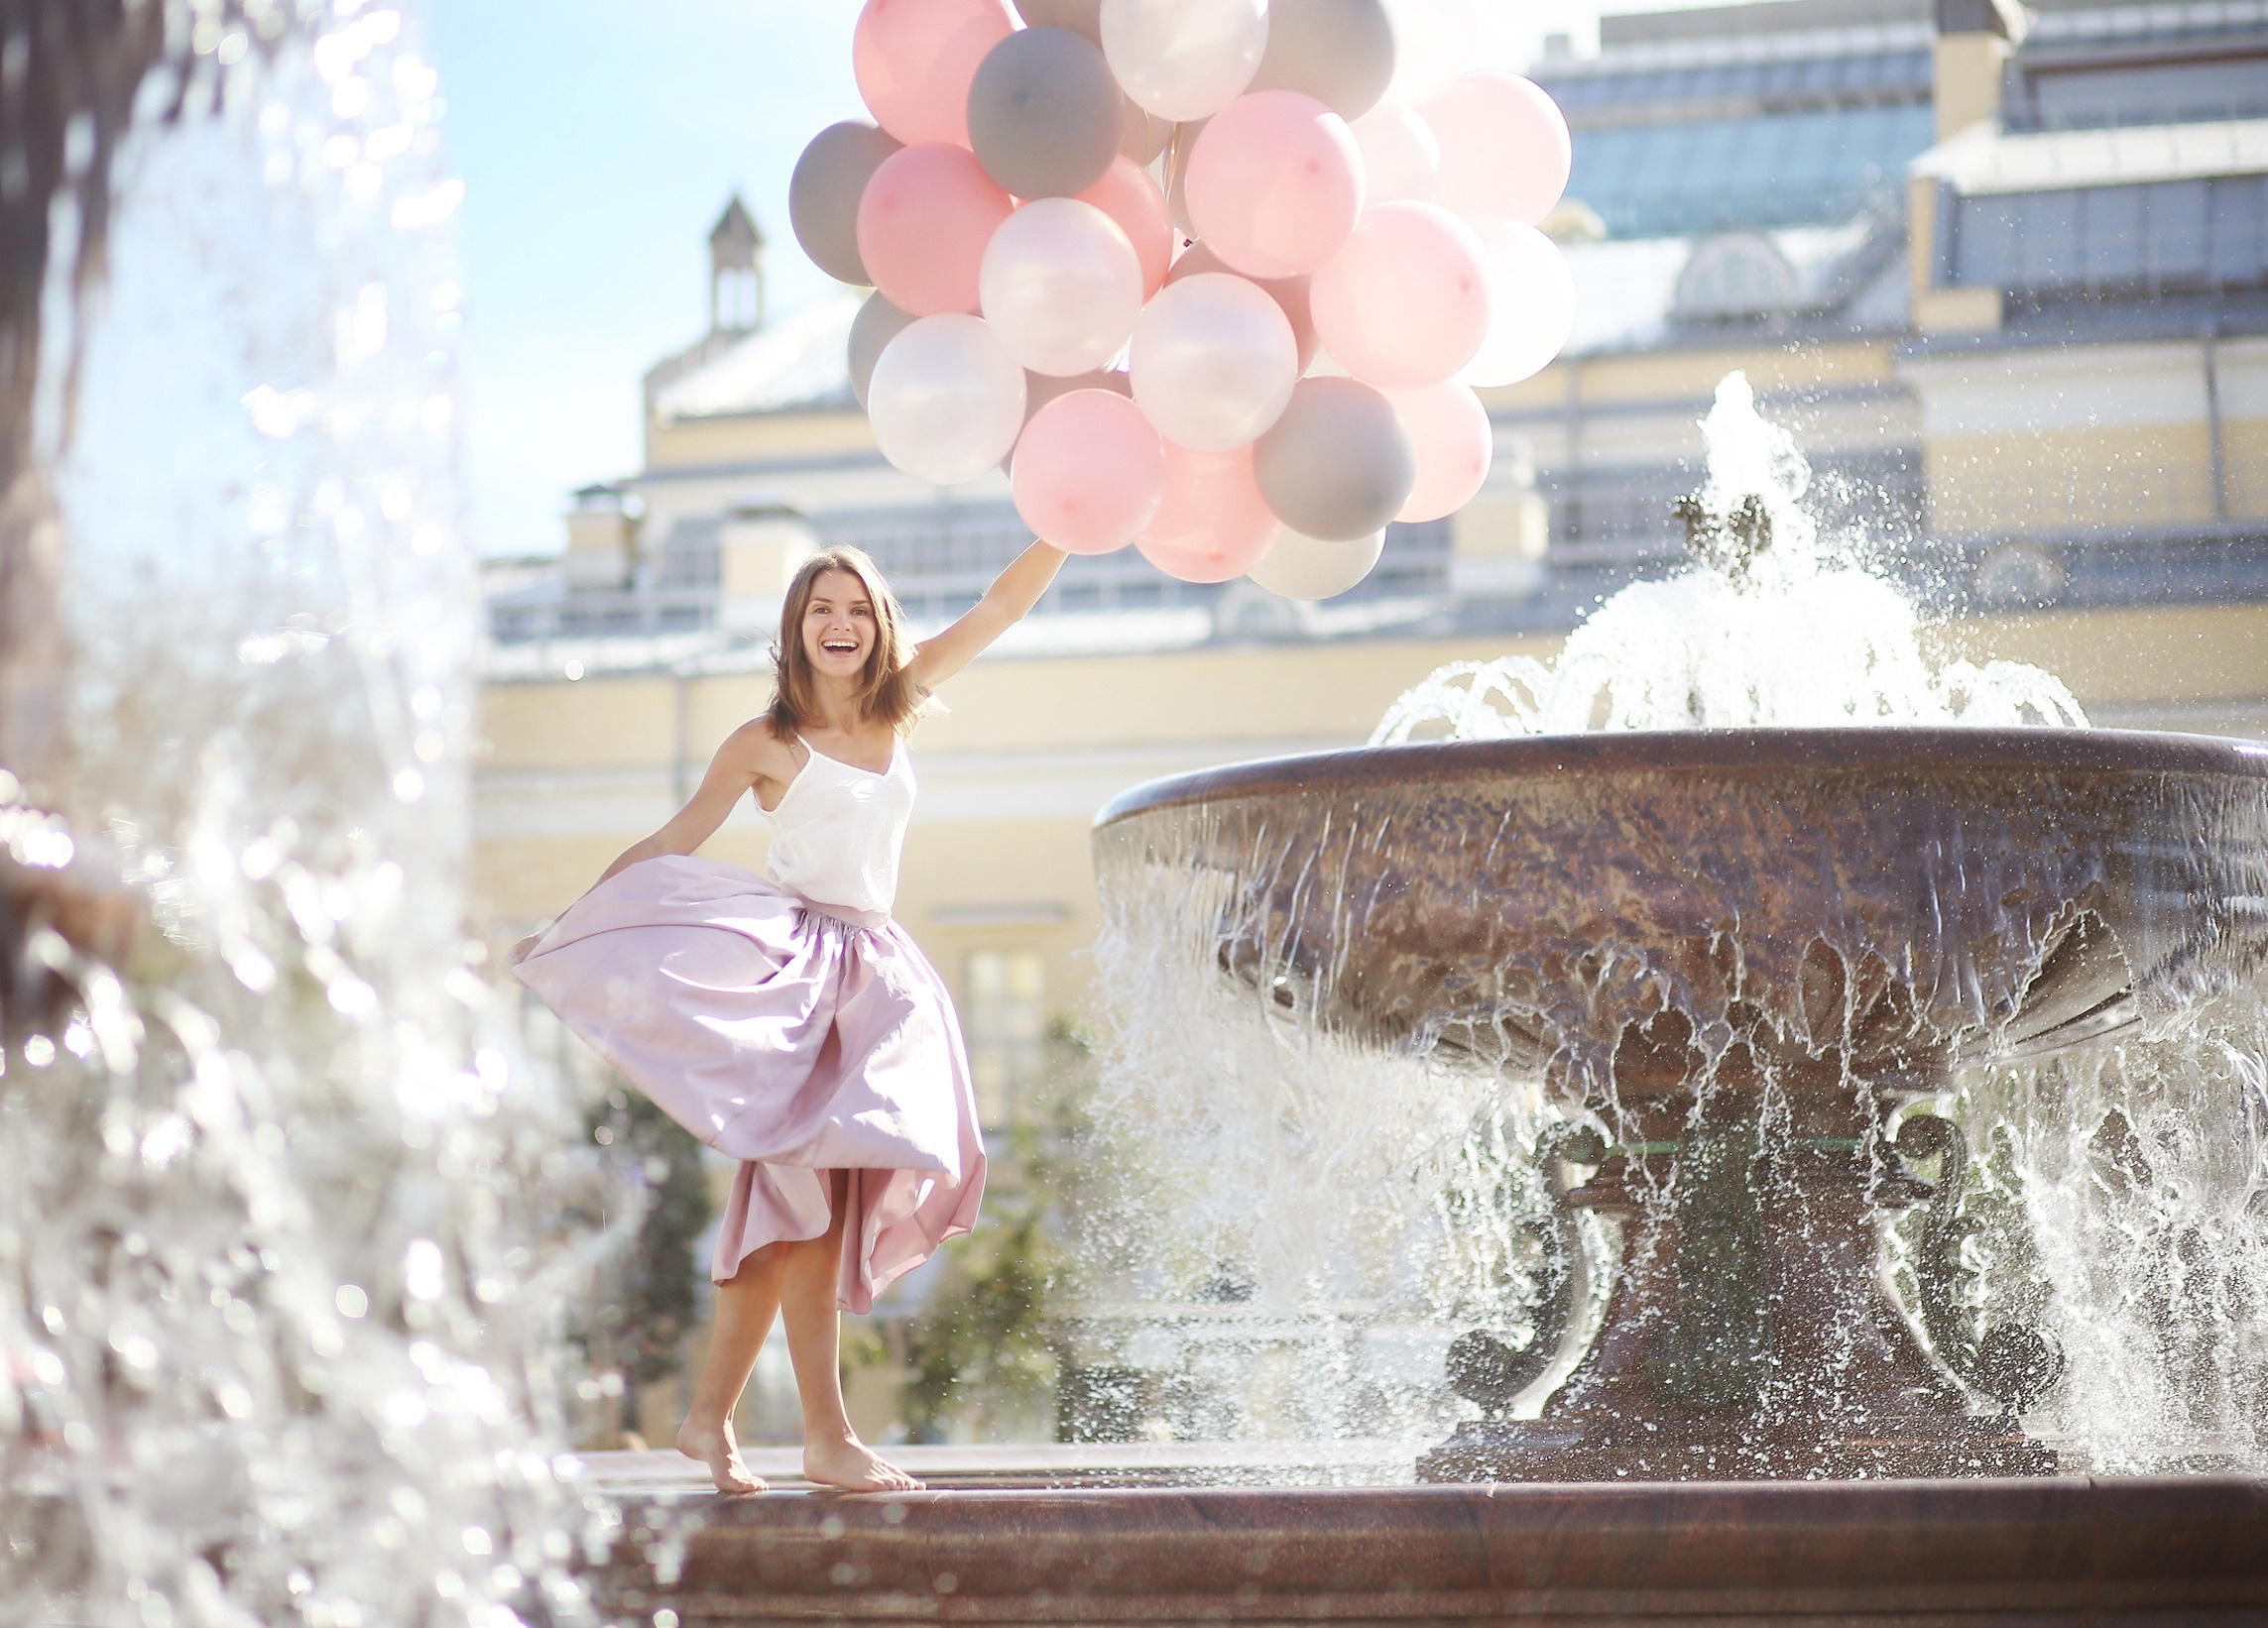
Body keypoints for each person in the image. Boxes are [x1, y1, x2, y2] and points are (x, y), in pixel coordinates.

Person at [514, 540, 1067, 1494]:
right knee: (797, 1207)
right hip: (799, 978)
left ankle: (719, 1423)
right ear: (795, 627)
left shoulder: (899, 702)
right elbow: (671, 842)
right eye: (820, 608)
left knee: (801, 1210)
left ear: (877, 625)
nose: (839, 623)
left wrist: (1066, 526)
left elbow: (1000, 606)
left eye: (856, 608)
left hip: (877, 977)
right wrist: (572, 925)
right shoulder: (763, 742)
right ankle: (811, 1436)